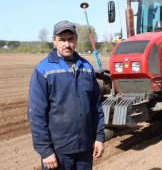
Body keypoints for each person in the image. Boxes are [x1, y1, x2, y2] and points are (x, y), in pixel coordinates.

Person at [27, 20, 105, 170]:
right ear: (54, 40)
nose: (66, 44)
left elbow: (96, 107)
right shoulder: (43, 70)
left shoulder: (87, 68)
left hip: (85, 149)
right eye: (62, 40)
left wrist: (99, 137)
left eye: (70, 39)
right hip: (58, 152)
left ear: (76, 40)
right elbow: (36, 114)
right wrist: (45, 151)